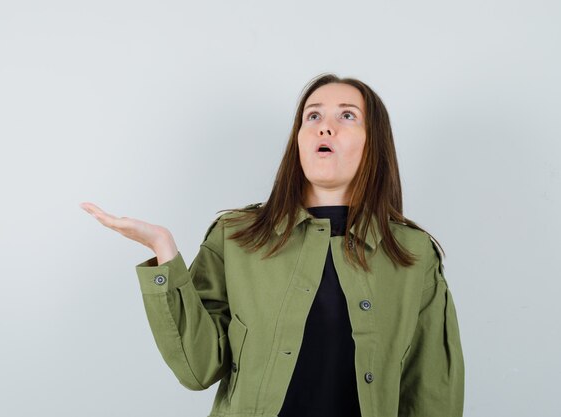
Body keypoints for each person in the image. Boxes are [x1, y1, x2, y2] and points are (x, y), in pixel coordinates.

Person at [80, 73, 465, 417]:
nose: (324, 128)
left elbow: (433, 392)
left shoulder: (413, 254)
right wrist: (163, 251)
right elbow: (197, 369)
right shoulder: (235, 237)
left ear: (374, 143)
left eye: (347, 116)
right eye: (312, 116)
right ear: (298, 139)